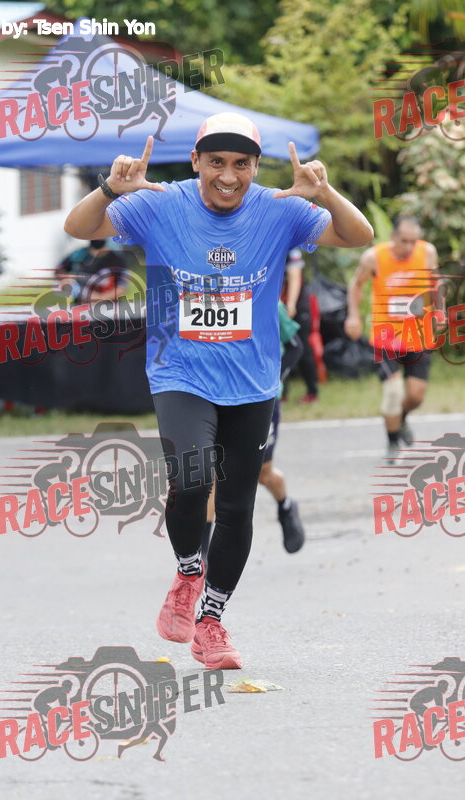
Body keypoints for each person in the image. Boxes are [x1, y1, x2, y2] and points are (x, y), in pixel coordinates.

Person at [64, 112, 373, 670]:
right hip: (179, 371)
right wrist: (111, 187)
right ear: (196, 162)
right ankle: (189, 571)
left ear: (255, 167)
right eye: (216, 163)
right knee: (191, 479)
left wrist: (325, 194)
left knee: (236, 508)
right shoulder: (161, 202)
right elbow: (79, 227)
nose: (228, 176)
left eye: (241, 164)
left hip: (253, 381)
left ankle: (211, 620)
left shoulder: (280, 209)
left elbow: (359, 236)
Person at [202, 301, 305, 563]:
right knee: (211, 473)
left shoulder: (268, 300)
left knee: (262, 473)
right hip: (219, 397)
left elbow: (295, 346)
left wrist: (272, 379)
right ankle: (201, 557)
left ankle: (286, 506)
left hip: (261, 401)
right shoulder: (206, 297)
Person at [344, 215, 441, 462]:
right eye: (404, 241)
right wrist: (353, 316)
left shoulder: (427, 253)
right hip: (385, 337)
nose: (409, 247)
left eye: (413, 241)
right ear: (393, 237)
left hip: (419, 335)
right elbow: (356, 285)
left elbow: (435, 283)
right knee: (393, 392)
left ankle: (401, 418)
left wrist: (439, 311)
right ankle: (393, 441)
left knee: (416, 396)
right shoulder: (374, 257)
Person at [281, 248, 319, 402]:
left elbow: (295, 275)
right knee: (278, 350)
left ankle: (312, 391)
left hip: (296, 308)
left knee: (302, 349)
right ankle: (282, 393)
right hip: (278, 308)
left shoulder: (292, 249)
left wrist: (291, 304)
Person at [56, 239, 129, 303]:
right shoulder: (78, 254)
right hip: (80, 307)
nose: (98, 238)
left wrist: (100, 298)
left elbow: (122, 287)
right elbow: (59, 271)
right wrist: (67, 281)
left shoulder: (117, 260)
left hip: (108, 308)